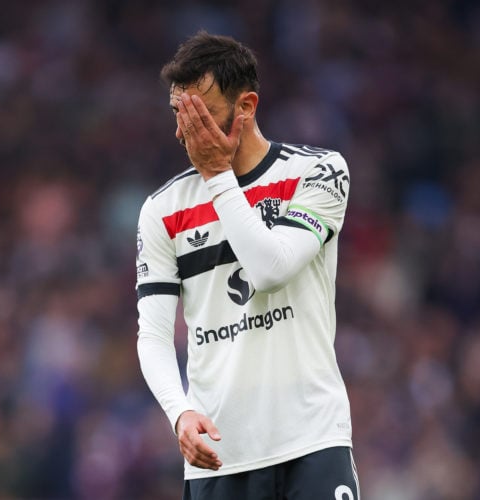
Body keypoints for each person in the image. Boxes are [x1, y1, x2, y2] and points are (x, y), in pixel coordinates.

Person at [135, 31, 359, 500]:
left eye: (203, 116)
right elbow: (153, 335)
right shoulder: (162, 209)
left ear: (247, 106)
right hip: (220, 457)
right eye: (179, 115)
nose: (186, 134)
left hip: (312, 442)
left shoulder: (317, 173)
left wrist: (218, 177)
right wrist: (179, 412)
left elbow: (271, 269)